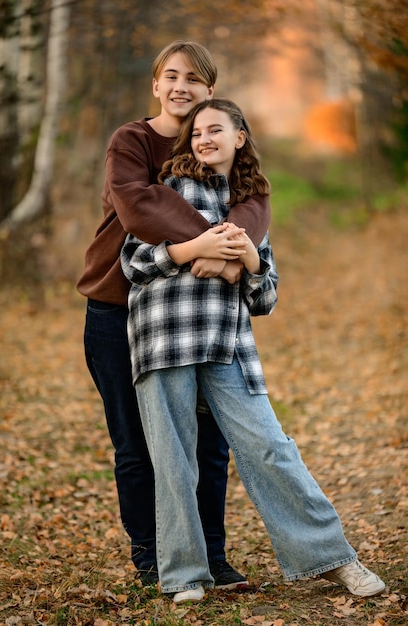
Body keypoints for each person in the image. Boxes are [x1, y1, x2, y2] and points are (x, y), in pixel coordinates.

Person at [120, 98, 386, 604]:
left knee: (270, 447)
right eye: (197, 132)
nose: (204, 139)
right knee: (173, 459)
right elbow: (133, 262)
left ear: (240, 137)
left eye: (216, 129)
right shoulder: (166, 190)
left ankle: (334, 558)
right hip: (163, 336)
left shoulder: (250, 209)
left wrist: (244, 260)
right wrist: (195, 250)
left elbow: (266, 297)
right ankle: (183, 575)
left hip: (229, 343)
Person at [77, 41, 270, 588]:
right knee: (137, 443)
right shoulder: (132, 140)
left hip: (197, 317)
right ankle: (152, 556)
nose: (182, 86)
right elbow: (140, 206)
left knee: (210, 443)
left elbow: (253, 200)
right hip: (118, 309)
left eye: (195, 78)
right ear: (156, 85)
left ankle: (211, 554)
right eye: (171, 76)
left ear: (212, 89)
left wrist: (237, 256)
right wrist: (214, 246)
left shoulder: (216, 140)